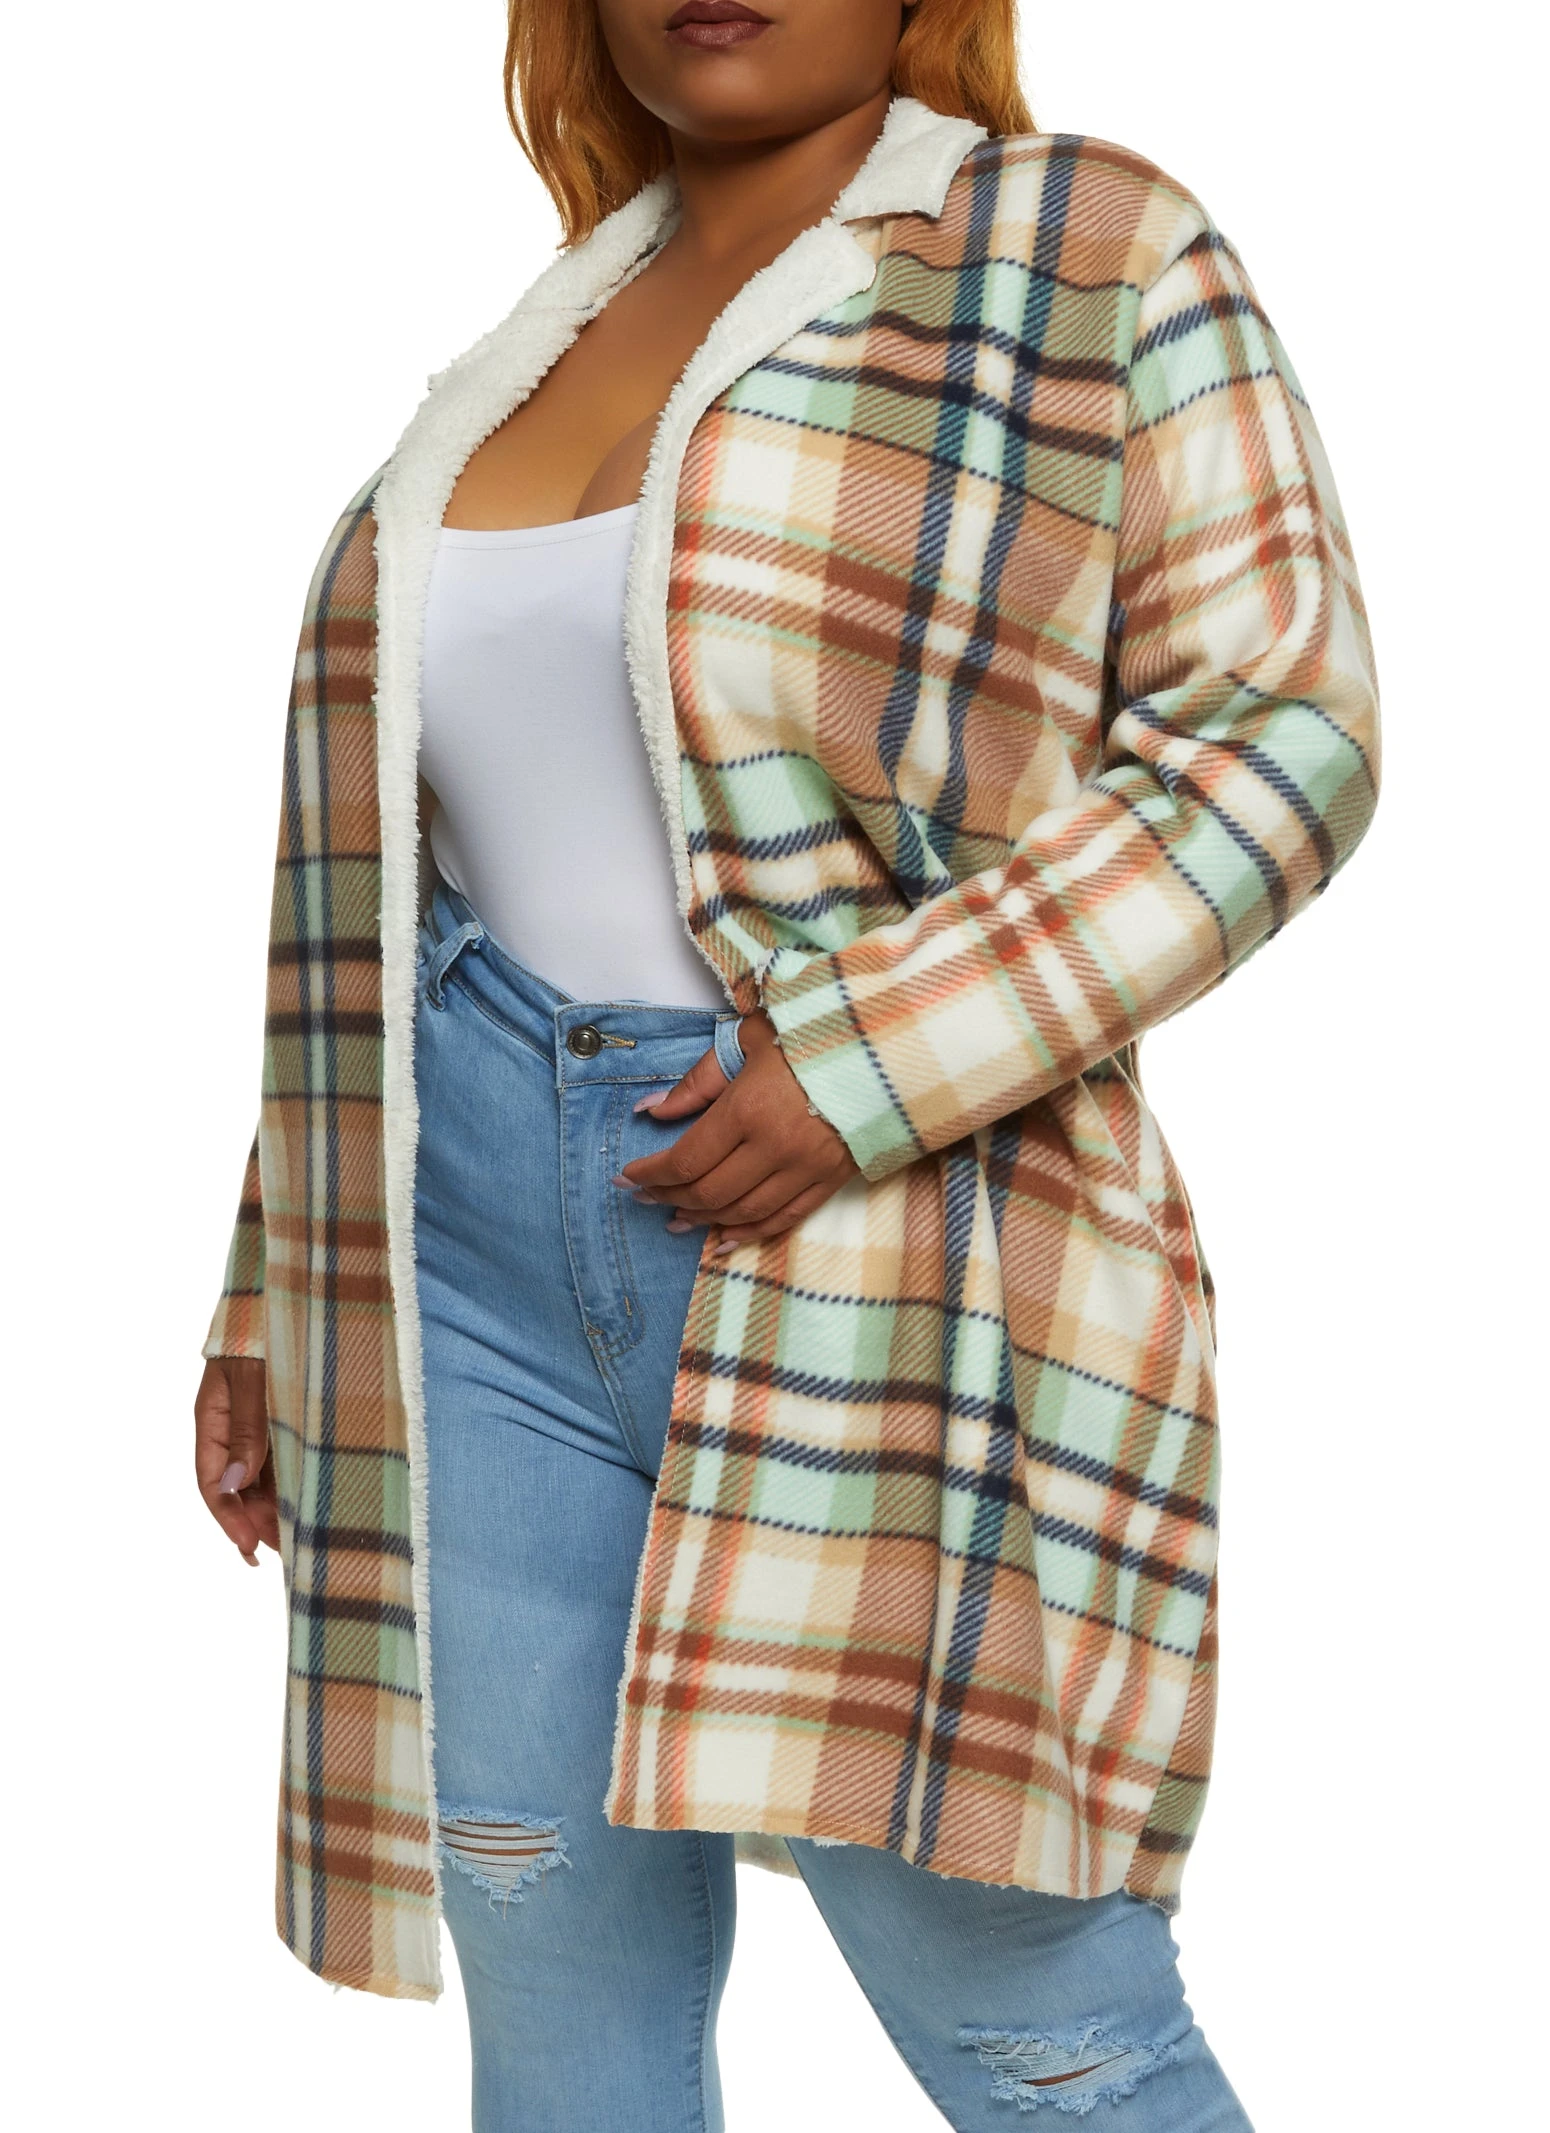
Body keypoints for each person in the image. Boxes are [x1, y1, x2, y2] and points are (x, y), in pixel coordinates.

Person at [193, 2, 1379, 2126]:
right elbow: (395, 871)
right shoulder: (546, 331)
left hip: (877, 1243)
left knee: (1035, 2015)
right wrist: (280, 1281)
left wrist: (864, 1061)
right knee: (553, 1973)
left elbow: (1278, 734)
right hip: (455, 1252)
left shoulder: (1085, 247)